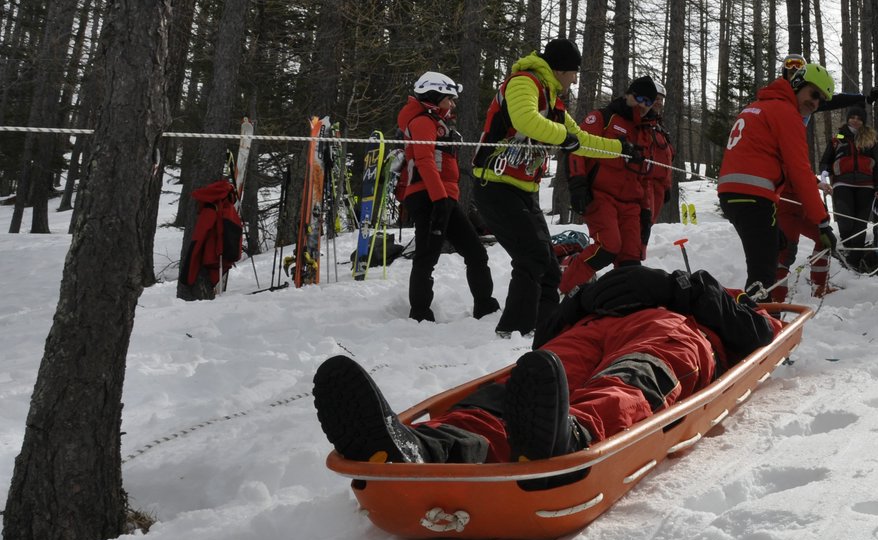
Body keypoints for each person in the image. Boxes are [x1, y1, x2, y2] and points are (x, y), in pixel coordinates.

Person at [312, 265, 783, 465]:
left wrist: (697, 290)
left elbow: (759, 338)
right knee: (533, 378)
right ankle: (433, 445)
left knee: (637, 375)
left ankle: (573, 432)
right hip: (588, 327)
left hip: (673, 327)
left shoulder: (725, 299)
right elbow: (545, 339)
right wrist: (582, 300)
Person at [471, 38, 639, 339]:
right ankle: (513, 331)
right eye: (573, 73)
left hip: (521, 188)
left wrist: (620, 148)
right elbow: (527, 120)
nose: (575, 80)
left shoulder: (554, 101)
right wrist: (563, 138)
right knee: (532, 257)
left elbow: (582, 140)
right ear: (561, 70)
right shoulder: (524, 82)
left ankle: (546, 330)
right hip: (494, 184)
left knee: (548, 265)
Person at [717, 60, 838, 299]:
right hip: (753, 197)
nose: (814, 103)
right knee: (763, 276)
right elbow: (800, 171)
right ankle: (760, 329)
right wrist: (822, 221)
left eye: (821, 101)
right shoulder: (785, 113)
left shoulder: (758, 107)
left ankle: (760, 322)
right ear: (798, 84)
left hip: (735, 195)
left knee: (770, 257)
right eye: (813, 94)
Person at [397, 71, 498, 323]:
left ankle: (486, 308)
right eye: (448, 99)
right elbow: (424, 160)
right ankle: (419, 314)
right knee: (426, 256)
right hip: (430, 197)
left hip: (443, 197)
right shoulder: (421, 122)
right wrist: (439, 199)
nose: (452, 104)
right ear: (433, 97)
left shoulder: (434, 122)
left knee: (475, 252)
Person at [560, 75, 663, 294]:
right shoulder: (604, 117)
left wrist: (646, 210)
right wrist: (577, 184)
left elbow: (644, 178)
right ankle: (562, 288)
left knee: (631, 258)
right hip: (601, 196)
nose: (643, 105)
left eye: (649, 101)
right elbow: (575, 149)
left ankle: (622, 303)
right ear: (628, 95)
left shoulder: (647, 132)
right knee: (608, 247)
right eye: (639, 98)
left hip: (632, 204)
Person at [819, 106, 878, 271]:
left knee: (860, 223)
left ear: (863, 122)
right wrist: (825, 170)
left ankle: (855, 261)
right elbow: (827, 157)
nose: (855, 120)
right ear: (848, 119)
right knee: (845, 220)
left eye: (859, 118)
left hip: (866, 185)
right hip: (842, 183)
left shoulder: (870, 140)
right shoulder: (839, 136)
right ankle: (848, 249)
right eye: (852, 117)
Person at [176, 178, 243, 301]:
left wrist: (187, 275)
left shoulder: (211, 209)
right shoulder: (229, 208)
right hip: (223, 257)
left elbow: (198, 239)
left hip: (212, 258)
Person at [639, 99, 674, 250]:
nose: (659, 103)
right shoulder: (642, 125)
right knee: (641, 225)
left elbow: (667, 159)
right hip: (644, 184)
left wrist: (667, 186)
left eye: (662, 99)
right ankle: (632, 261)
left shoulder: (659, 129)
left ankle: (638, 256)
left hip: (659, 186)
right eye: (656, 98)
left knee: (648, 225)